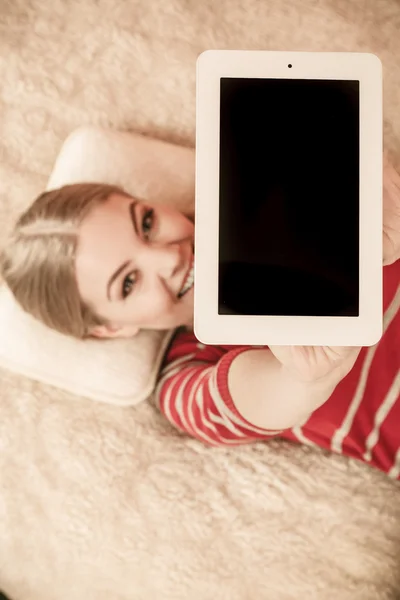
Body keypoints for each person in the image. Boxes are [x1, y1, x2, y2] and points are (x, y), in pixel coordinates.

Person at [1, 141, 400, 479]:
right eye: (128, 282)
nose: (169, 257)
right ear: (110, 328)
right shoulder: (185, 375)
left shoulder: (268, 193)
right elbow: (260, 397)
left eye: (146, 224)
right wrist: (303, 378)